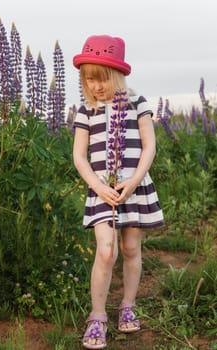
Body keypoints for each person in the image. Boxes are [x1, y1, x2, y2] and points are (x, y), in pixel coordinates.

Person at [72, 34, 164, 349]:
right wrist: (98, 186)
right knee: (106, 250)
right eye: (89, 79)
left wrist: (135, 180)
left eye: (102, 78)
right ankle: (97, 316)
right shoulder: (85, 109)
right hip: (101, 190)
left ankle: (128, 305)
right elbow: (79, 157)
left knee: (130, 249)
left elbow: (150, 146)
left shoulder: (138, 102)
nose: (96, 85)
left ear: (119, 74)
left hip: (134, 186)